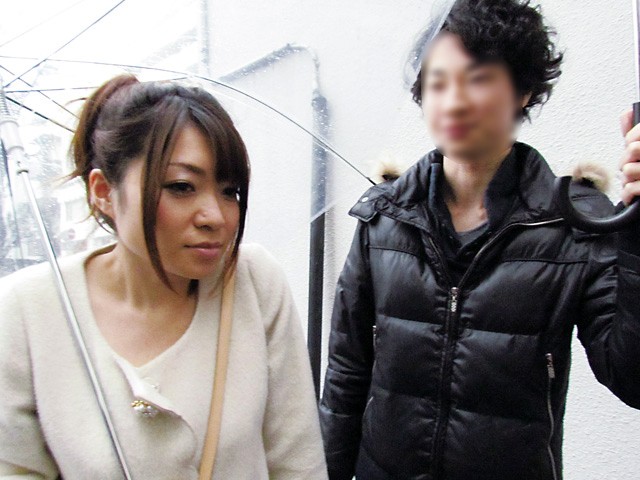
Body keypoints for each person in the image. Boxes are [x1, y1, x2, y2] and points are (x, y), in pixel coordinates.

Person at [319, 1, 640, 479]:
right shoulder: (383, 217)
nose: (453, 101)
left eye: (478, 79)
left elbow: (631, 378)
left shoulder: (574, 225)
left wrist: (635, 239)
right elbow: (346, 377)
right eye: (437, 82)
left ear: (523, 91)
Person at [0, 74, 328, 479]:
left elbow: (298, 463)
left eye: (230, 191)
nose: (216, 217)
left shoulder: (253, 282)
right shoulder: (28, 309)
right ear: (103, 191)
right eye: (181, 186)